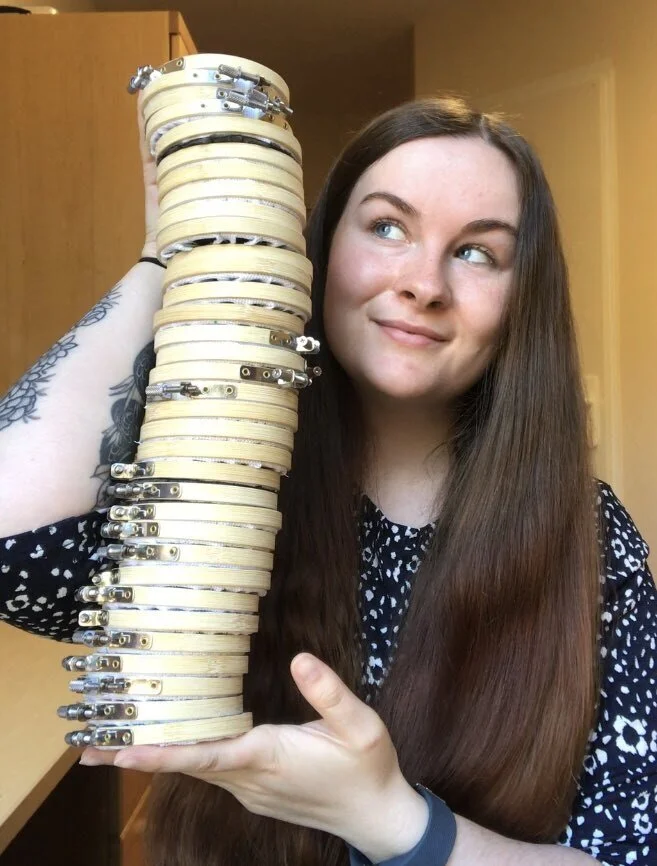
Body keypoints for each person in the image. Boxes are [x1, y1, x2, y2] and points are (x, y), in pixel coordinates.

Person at [0, 96, 654, 866]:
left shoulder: (586, 535)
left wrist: (393, 822)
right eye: (386, 227)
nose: (423, 283)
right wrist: (173, 252)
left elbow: (629, 852)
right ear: (317, 250)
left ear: (520, 304)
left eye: (477, 252)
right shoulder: (213, 482)